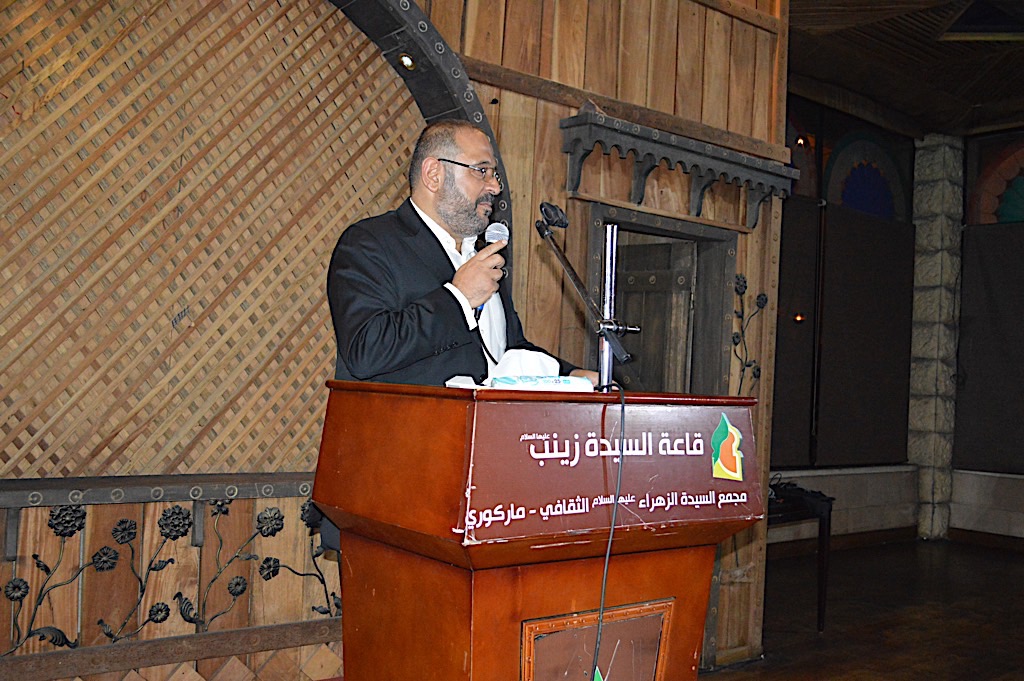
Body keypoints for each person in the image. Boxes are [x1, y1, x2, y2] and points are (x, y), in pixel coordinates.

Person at [327, 119, 598, 387]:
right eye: (482, 171)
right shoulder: (369, 243)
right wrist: (458, 298)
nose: (495, 187)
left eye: (494, 175)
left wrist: (571, 375)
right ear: (434, 174)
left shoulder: (480, 255)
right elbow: (365, 351)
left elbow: (508, 352)